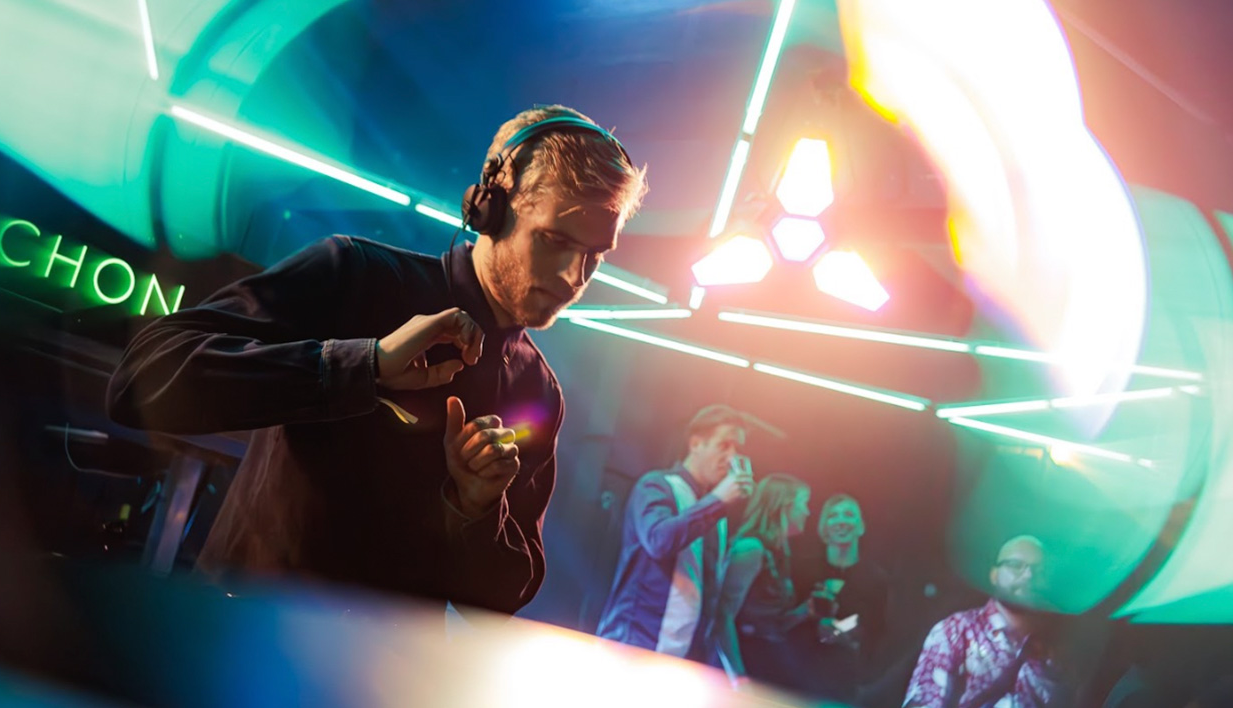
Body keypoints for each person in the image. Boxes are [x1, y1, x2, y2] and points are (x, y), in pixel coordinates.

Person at [106, 105, 648, 614]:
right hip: (244, 637)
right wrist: (363, 366)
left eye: (595, 255)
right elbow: (140, 378)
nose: (574, 277)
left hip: (381, 667)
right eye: (554, 240)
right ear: (492, 206)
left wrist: (477, 509)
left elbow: (505, 595)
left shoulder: (539, 392)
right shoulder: (354, 274)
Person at [596, 404, 755, 668]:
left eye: (736, 449)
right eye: (724, 445)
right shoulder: (657, 485)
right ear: (696, 444)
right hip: (635, 647)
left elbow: (709, 596)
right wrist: (717, 501)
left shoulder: (718, 511)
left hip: (683, 658)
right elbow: (658, 541)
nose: (731, 457)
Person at [903, 535, 1068, 708]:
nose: (1028, 575)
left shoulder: (1057, 651)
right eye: (1016, 565)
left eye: (1040, 571)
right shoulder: (956, 631)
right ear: (994, 575)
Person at [715, 474, 813, 687]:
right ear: (783, 506)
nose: (808, 512)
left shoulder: (778, 553)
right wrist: (738, 677)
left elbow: (768, 624)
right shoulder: (751, 549)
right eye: (803, 503)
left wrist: (804, 612)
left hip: (769, 661)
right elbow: (723, 616)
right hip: (750, 662)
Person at [806, 493, 890, 702]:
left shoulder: (876, 578)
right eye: (833, 515)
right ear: (823, 527)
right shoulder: (804, 571)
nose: (841, 521)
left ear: (861, 527)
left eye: (849, 514)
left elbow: (879, 631)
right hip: (802, 678)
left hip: (849, 683)